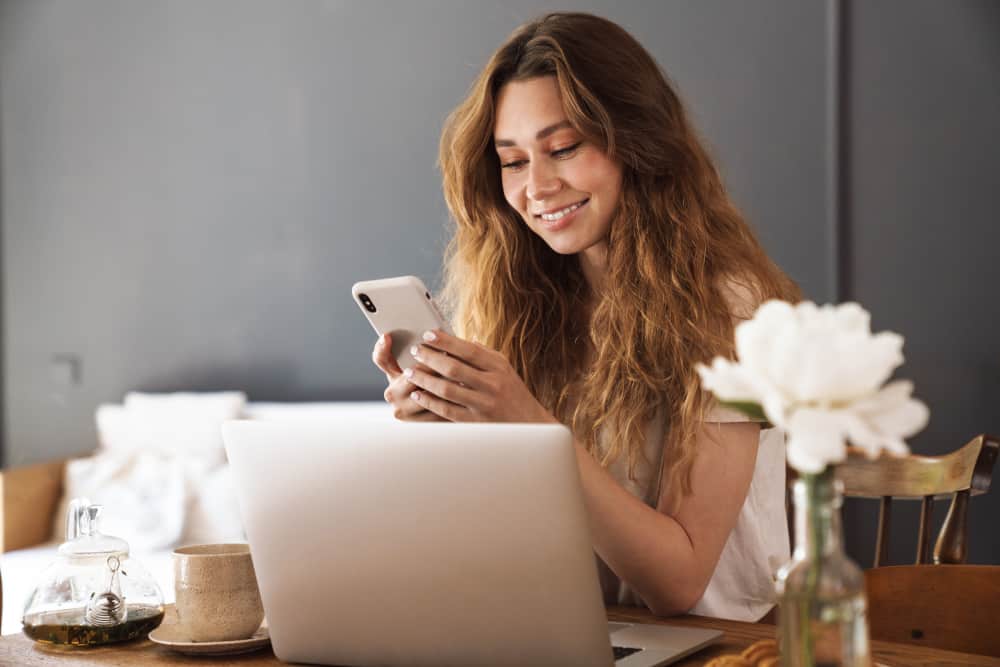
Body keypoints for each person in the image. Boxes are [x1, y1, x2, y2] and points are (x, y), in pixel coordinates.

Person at [372, 11, 799, 622]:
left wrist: (527, 423)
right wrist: (450, 426)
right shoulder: (520, 299)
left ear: (636, 141)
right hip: (570, 634)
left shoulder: (730, 308)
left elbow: (679, 584)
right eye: (513, 161)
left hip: (720, 647)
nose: (537, 186)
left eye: (564, 148)